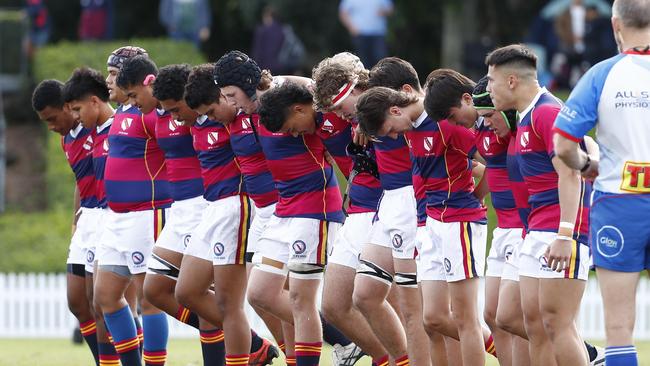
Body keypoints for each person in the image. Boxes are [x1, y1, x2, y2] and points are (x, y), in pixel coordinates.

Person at [356, 84, 490, 366]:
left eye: (391, 129)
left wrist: (476, 197)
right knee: (433, 319)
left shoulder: (443, 123)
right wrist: (421, 226)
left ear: (395, 109)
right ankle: (494, 342)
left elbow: (491, 163)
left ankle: (496, 344)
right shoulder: (413, 130)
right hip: (430, 225)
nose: (395, 136)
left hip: (459, 223)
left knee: (465, 320)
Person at [553, 1, 650, 364]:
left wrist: (585, 164)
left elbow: (562, 145)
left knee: (619, 331)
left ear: (615, 25)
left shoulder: (602, 74)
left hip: (619, 205)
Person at [486, 44, 594, 366]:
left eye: (491, 80)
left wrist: (565, 236)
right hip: (537, 228)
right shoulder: (526, 116)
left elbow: (571, 174)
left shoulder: (547, 112)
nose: (487, 87)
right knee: (533, 325)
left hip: (559, 229)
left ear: (511, 81)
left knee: (557, 324)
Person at [312, 52, 411, 366]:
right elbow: (290, 84)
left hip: (389, 212)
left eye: (341, 107)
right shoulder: (336, 116)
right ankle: (388, 359)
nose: (338, 116)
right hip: (358, 211)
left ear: (357, 89)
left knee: (394, 304)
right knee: (333, 306)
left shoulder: (391, 112)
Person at [182, 63, 281, 365]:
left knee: (234, 302)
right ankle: (258, 346)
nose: (208, 119)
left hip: (241, 207)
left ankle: (298, 347)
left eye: (211, 111)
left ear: (226, 96)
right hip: (215, 208)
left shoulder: (250, 115)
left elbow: (286, 92)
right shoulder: (225, 120)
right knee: (185, 291)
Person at [96, 50, 172, 366]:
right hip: (116, 218)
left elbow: (176, 153)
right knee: (105, 296)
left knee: (149, 299)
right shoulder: (124, 111)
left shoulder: (150, 113)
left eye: (113, 73)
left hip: (146, 215)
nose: (108, 79)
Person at [32, 79, 100, 365]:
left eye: (52, 118)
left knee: (102, 302)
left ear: (67, 107)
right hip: (86, 221)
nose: (51, 126)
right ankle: (105, 360)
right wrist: (75, 223)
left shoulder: (94, 127)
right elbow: (79, 181)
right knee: (77, 301)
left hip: (109, 218)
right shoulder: (66, 139)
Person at [338, 0, 393, 68]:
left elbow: (390, 9)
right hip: (360, 34)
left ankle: (381, 78)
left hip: (378, 33)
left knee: (381, 61)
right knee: (362, 62)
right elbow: (343, 13)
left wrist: (384, 11)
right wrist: (351, 27)